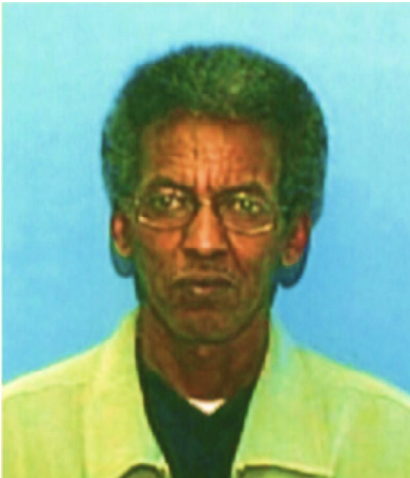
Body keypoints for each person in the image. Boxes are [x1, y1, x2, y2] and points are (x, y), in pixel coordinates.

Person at [3, 45, 410, 478]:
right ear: (122, 229)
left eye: (244, 206)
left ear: (294, 237)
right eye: (168, 202)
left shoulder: (390, 445)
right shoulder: (16, 441)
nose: (204, 243)